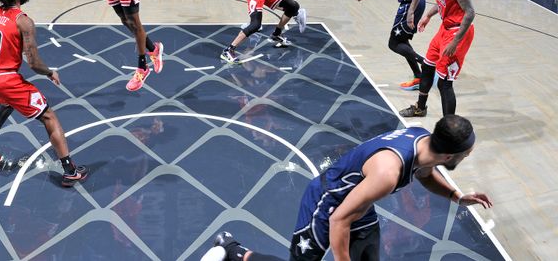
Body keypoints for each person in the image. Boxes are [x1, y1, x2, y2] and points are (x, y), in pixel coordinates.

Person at [204, 115, 492, 261]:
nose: (469, 155)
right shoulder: (388, 173)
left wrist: (456, 196)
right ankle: (233, 249)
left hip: (359, 205)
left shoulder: (423, 139)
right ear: (448, 155)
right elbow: (338, 218)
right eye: (467, 153)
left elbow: (426, 175)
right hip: (327, 203)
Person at [0, 0, 88, 187]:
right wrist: (49, 72)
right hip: (6, 81)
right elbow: (33, 62)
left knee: (7, 99)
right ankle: (70, 170)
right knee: (49, 117)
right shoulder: (23, 21)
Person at [400, 0, 475, 118]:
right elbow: (443, 0)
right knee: (427, 67)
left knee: (444, 83)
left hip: (458, 33)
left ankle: (449, 128)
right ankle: (420, 108)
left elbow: (470, 13)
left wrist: (455, 42)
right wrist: (428, 15)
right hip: (445, 28)